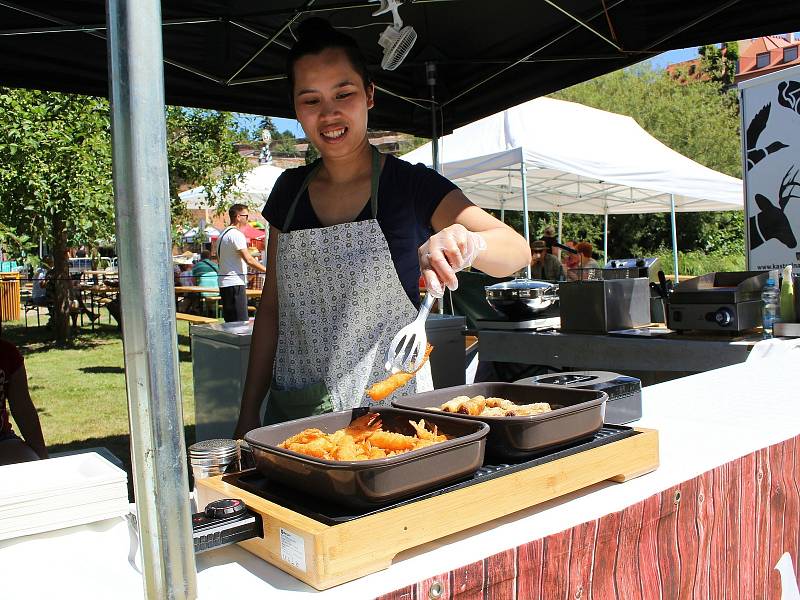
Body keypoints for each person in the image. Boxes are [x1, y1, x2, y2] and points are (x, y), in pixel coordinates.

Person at [233, 19, 530, 435]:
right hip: (299, 411)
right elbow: (272, 307)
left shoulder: (410, 184)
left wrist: (469, 242)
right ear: (296, 108)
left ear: (369, 94)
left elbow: (515, 252)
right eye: (311, 100)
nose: (330, 113)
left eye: (344, 93)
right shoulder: (288, 191)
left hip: (392, 414)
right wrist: (248, 413)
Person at [0, 319, 48, 465]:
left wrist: (44, 460)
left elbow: (23, 409)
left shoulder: (7, 353)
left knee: (32, 468)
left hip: (2, 438)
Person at [216, 204, 267, 323]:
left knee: (231, 323)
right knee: (240, 323)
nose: (247, 219)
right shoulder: (236, 234)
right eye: (246, 216)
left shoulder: (223, 234)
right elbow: (248, 259)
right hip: (234, 284)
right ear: (238, 217)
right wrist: (267, 271)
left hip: (225, 283)